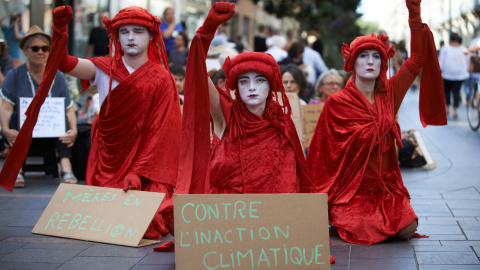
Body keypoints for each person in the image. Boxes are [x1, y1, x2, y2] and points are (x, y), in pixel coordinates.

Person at [306, 0, 447, 245]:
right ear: (352, 63)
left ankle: (354, 224)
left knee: (408, 227)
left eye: (376, 57)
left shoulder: (390, 93)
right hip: (349, 190)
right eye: (363, 56)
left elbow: (416, 60)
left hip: (384, 188)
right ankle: (341, 219)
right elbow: (323, 156)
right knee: (361, 223)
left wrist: (414, 15)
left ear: (383, 63)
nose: (370, 61)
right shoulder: (336, 101)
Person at [49, 5, 181, 238]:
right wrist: (59, 30)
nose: (130, 37)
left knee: (149, 226)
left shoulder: (163, 78)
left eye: (138, 31)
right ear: (116, 37)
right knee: (105, 222)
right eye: (124, 31)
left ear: (151, 35)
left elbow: (160, 133)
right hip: (107, 159)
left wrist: (138, 172)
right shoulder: (102, 68)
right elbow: (64, 63)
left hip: (146, 166)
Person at [0, 26, 78, 188]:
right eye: (35, 48)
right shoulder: (14, 75)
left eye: (45, 48)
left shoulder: (57, 76)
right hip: (23, 134)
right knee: (16, 114)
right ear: (25, 51)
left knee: (60, 116)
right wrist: (5, 130)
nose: (40, 52)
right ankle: (17, 169)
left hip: (51, 135)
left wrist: (74, 130)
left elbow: (68, 108)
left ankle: (66, 167)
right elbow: (6, 107)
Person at [438, 32, 469, 119]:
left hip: (447, 73)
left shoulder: (445, 48)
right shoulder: (463, 48)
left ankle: (447, 108)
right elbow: (467, 60)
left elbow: (441, 61)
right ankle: (455, 110)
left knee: (447, 91)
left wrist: (440, 71)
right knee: (456, 92)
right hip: (460, 74)